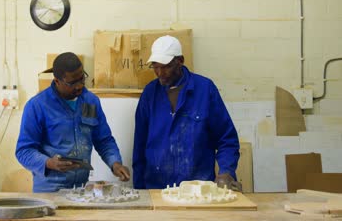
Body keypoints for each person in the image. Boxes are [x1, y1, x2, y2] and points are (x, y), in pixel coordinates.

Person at [132, 35, 241, 191]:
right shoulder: (150, 94)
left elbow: (227, 140)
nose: (160, 72)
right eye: (155, 66)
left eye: (166, 66)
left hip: (198, 191)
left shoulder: (205, 89)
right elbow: (139, 147)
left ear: (180, 61)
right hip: (156, 189)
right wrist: (140, 190)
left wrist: (226, 172)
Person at [16, 52, 130, 192]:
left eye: (82, 79)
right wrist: (49, 163)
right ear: (57, 81)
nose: (79, 86)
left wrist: (115, 163)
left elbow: (104, 140)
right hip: (50, 190)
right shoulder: (37, 106)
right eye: (72, 83)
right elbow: (24, 151)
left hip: (81, 189)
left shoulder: (90, 102)